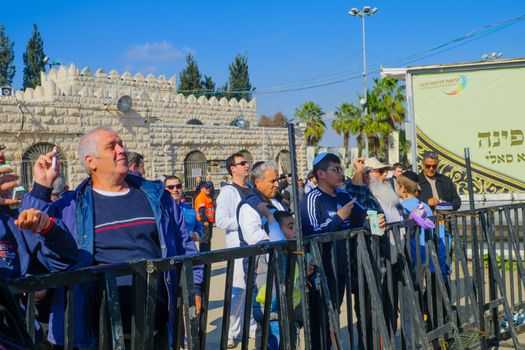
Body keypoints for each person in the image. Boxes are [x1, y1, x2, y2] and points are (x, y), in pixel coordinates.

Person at [21, 126, 203, 348]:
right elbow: (31, 240)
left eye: (121, 144)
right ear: (91, 162)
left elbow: (185, 246)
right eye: (111, 146)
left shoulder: (158, 198)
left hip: (156, 332)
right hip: (98, 336)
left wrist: (196, 286)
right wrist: (42, 186)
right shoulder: (71, 206)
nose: (122, 150)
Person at [301, 153, 371, 349]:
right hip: (321, 270)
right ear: (321, 173)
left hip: (342, 268)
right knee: (321, 321)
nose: (341, 174)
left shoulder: (343, 195)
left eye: (341, 169)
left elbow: (362, 216)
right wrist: (338, 218)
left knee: (333, 315)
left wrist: (374, 221)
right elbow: (313, 232)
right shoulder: (311, 198)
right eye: (336, 170)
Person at [215, 152, 256, 347]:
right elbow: (220, 220)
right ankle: (231, 332)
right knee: (238, 292)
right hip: (238, 249)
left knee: (254, 289)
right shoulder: (228, 192)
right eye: (242, 163)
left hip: (255, 247)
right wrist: (244, 223)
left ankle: (251, 327)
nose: (247, 165)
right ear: (233, 168)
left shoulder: (253, 189)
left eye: (247, 162)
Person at [237, 161, 286, 246]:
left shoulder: (277, 199)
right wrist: (282, 233)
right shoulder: (249, 205)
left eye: (277, 180)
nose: (277, 184)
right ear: (258, 182)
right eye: (273, 181)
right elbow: (253, 238)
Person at [164, 175, 203, 243]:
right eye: (171, 187)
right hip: (171, 251)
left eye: (178, 186)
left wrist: (197, 234)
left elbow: (199, 227)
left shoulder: (189, 209)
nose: (175, 189)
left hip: (189, 250)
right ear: (165, 190)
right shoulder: (161, 210)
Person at [194, 182, 215, 252]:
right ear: (202, 188)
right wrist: (205, 221)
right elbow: (201, 211)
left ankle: (207, 255)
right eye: (207, 188)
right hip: (204, 222)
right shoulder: (201, 197)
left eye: (210, 187)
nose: (209, 189)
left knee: (208, 239)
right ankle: (204, 257)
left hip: (209, 221)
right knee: (204, 240)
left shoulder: (206, 196)